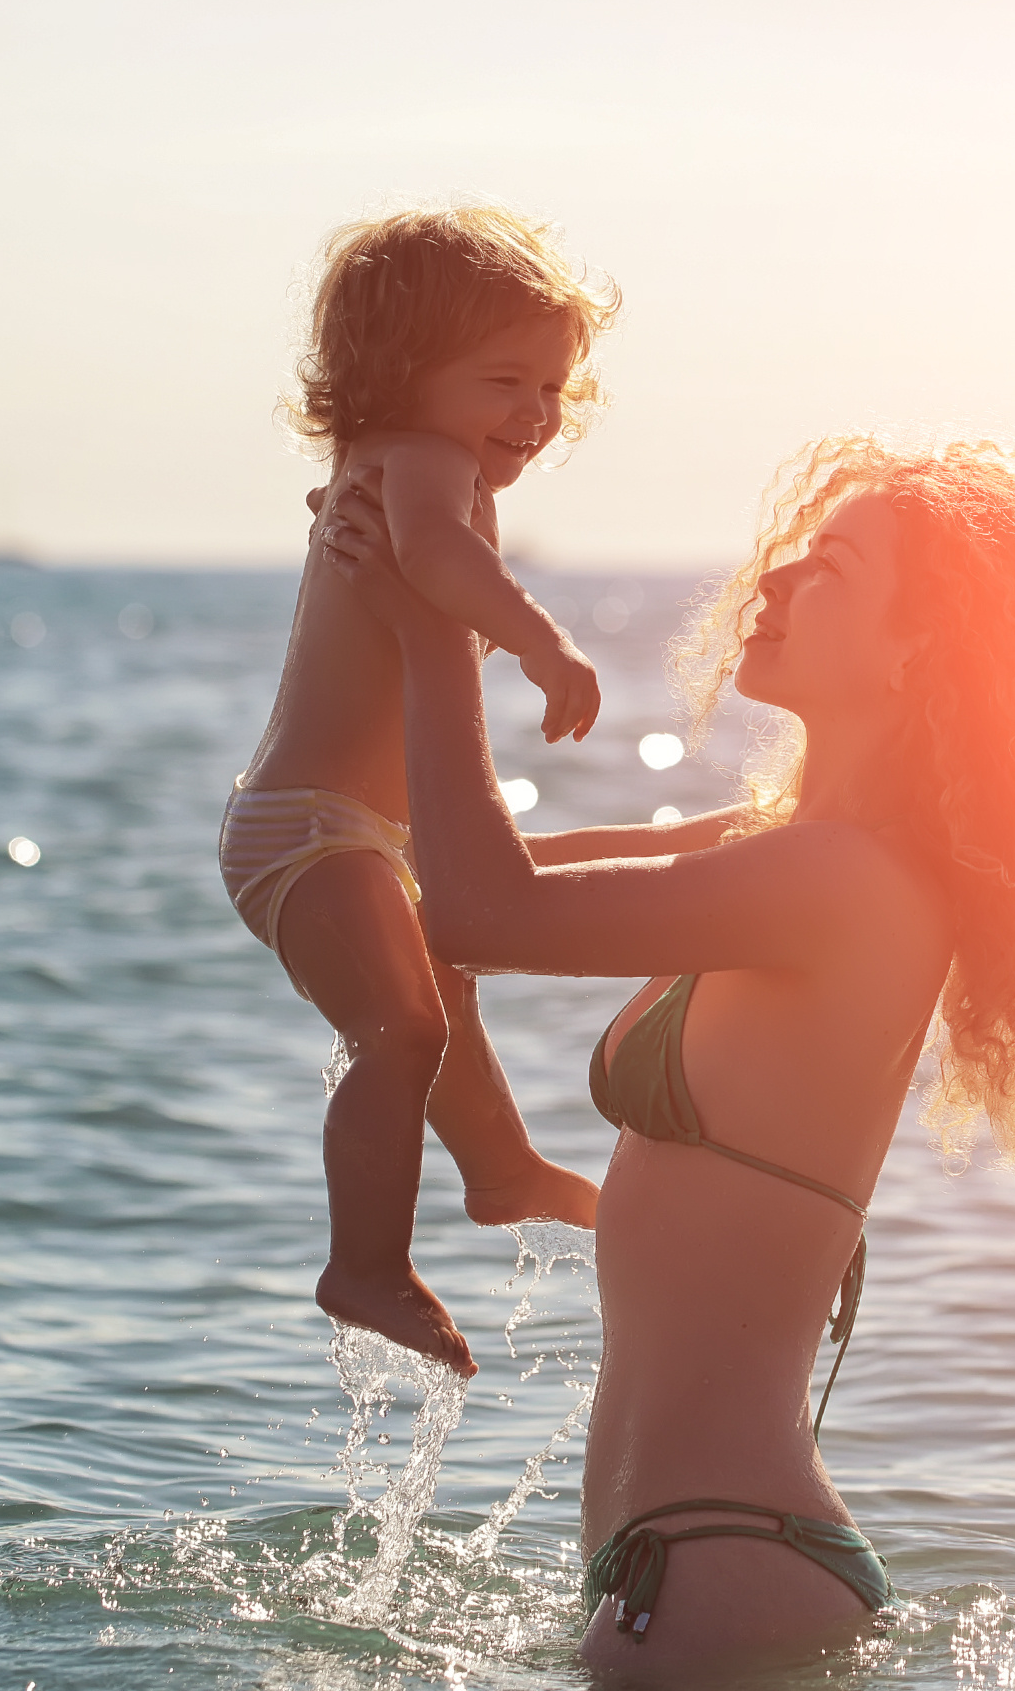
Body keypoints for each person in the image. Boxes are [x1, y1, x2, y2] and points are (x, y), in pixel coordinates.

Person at [314, 434, 1015, 1673]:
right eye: (790, 556)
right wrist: (380, 600)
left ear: (920, 651)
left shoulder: (847, 883)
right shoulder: (777, 842)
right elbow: (440, 890)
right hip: (678, 1563)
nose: (778, 582)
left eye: (831, 569)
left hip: (726, 1563)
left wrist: (434, 627)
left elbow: (489, 913)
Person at [219, 204, 613, 1375]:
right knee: (404, 1026)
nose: (536, 417)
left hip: (365, 832)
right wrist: (544, 642)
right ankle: (365, 1263)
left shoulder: (394, 464)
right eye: (506, 381)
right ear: (402, 372)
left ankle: (498, 1170)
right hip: (303, 830)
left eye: (552, 389)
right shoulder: (425, 465)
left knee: (450, 1000)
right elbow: (446, 563)